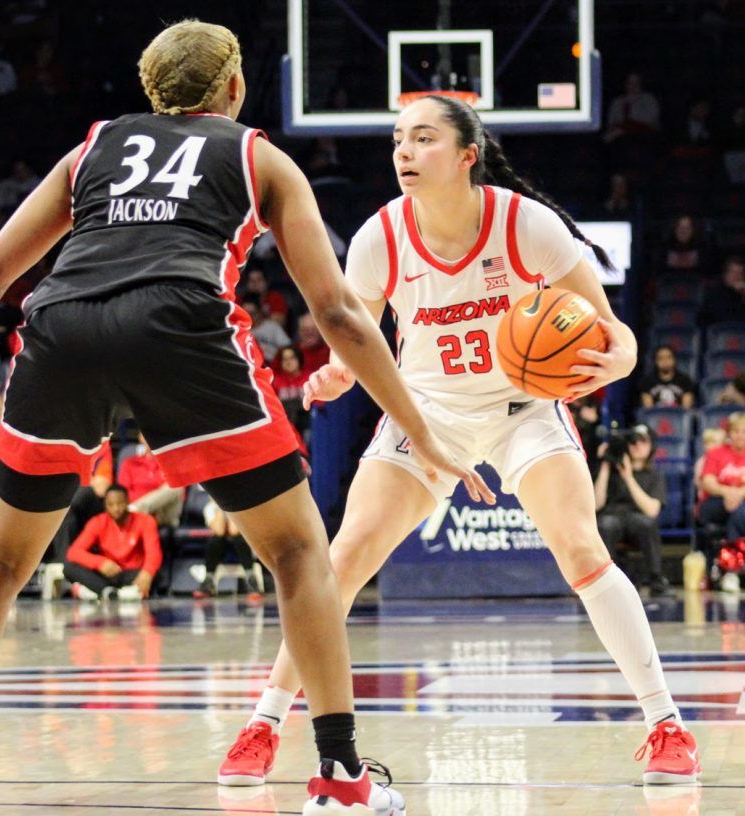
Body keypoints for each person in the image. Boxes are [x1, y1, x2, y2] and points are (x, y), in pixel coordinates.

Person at [0, 20, 484, 816]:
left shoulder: (92, 147)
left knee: (1, 561)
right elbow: (340, 314)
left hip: (64, 326)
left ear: (152, 90)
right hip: (180, 325)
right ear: (233, 88)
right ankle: (338, 780)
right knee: (297, 553)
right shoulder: (258, 154)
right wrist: (419, 428)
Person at [216, 92, 699, 794]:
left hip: (523, 406)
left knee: (582, 549)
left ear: (467, 155)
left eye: (422, 139)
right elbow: (358, 337)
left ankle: (667, 724)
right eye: (396, 141)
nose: (403, 152)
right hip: (426, 411)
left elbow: (611, 327)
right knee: (342, 558)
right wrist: (336, 376)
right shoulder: (381, 235)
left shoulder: (526, 224)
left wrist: (620, 356)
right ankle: (264, 723)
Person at [595, 426, 672, 597]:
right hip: (612, 515)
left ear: (651, 446)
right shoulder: (609, 471)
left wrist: (628, 477)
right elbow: (596, 504)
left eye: (643, 441)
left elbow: (652, 510)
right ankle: (605, 580)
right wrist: (606, 465)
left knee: (647, 524)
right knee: (604, 524)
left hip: (637, 517)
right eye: (633, 442)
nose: (637, 445)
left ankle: (656, 579)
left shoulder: (654, 475)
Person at [65, 485, 161, 602]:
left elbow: (154, 553)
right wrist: (100, 563)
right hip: (107, 573)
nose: (116, 509)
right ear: (105, 505)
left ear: (127, 501)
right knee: (69, 568)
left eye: (120, 503)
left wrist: (147, 572)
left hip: (131, 573)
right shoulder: (98, 522)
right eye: (110, 504)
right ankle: (108, 592)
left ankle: (98, 591)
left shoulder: (145, 521)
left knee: (154, 575)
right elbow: (73, 552)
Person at [697, 412, 745, 542]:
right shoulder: (715, 454)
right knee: (740, 507)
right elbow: (708, 482)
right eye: (736, 431)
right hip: (716, 503)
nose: (740, 436)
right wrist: (727, 492)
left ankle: (731, 560)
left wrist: (737, 495)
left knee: (738, 513)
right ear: (729, 433)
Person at [193, 491, 264, 601]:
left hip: (241, 543)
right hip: (221, 546)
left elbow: (234, 530)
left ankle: (251, 579)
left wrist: (230, 505)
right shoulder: (209, 508)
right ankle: (209, 580)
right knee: (215, 540)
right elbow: (219, 530)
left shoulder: (243, 505)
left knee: (239, 539)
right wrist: (221, 506)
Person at [639, 345, 696, 409]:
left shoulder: (685, 381)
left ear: (674, 360)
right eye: (661, 358)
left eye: (668, 357)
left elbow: (686, 410)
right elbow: (649, 412)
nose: (665, 361)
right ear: (655, 361)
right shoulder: (647, 382)